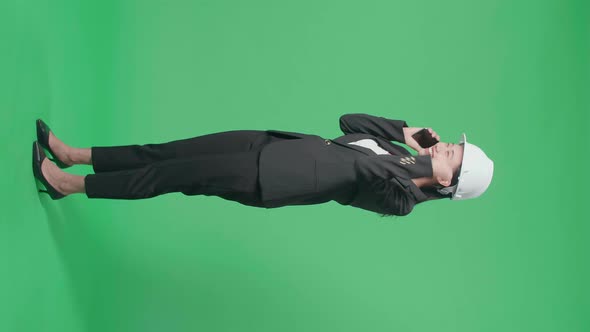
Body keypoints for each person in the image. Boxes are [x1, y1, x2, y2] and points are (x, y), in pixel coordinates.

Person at [32, 113, 494, 216]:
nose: (443, 146)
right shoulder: (400, 153)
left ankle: (68, 184)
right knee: (168, 152)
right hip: (272, 144)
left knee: (167, 177)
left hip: (267, 178)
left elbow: (369, 174)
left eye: (450, 154)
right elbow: (348, 122)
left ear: (450, 181)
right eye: (450, 144)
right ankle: (75, 155)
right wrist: (402, 130)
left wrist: (420, 170)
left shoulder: (402, 196)